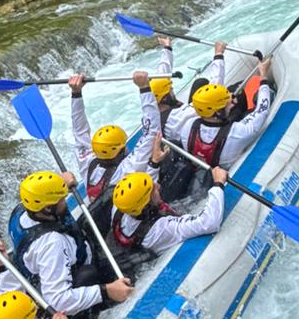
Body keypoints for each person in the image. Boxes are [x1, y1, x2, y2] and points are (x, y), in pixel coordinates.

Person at [0, 169, 132, 315]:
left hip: (77, 244)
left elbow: (40, 191)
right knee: (127, 263)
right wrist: (106, 291)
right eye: (62, 199)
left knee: (108, 196)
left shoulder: (23, 209)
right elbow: (58, 300)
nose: (65, 201)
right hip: (74, 276)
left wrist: (59, 184)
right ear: (48, 208)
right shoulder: (52, 244)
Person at [162, 52, 276, 196]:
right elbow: (262, 110)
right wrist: (263, 76)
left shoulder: (186, 128)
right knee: (266, 94)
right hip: (228, 169)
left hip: (204, 170)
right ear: (217, 112)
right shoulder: (239, 133)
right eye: (228, 104)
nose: (233, 102)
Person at [109, 145, 230, 272]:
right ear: (147, 203)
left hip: (134, 241)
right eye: (153, 189)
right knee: (205, 177)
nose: (158, 186)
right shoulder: (161, 229)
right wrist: (218, 184)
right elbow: (209, 223)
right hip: (156, 250)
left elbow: (141, 192)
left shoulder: (119, 207)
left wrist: (154, 163)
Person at [68, 70, 164, 228]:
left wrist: (76, 93)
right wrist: (144, 88)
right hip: (125, 218)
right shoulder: (129, 167)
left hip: (105, 219)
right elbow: (152, 130)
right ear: (121, 150)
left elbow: (79, 131)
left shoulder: (87, 162)